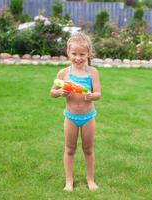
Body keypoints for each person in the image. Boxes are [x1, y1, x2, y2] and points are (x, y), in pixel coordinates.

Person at [50, 32, 101, 191]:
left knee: (88, 149)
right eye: (74, 54)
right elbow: (52, 92)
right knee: (70, 149)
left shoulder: (93, 72)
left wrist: (92, 95)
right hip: (70, 117)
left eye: (82, 54)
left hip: (88, 117)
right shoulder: (63, 73)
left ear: (88, 54)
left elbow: (98, 94)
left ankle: (90, 179)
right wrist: (60, 93)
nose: (78, 58)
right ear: (68, 52)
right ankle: (69, 181)